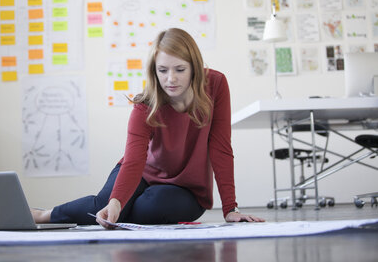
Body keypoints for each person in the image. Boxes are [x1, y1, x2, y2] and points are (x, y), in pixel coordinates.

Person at [32, 28, 264, 228]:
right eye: (162, 70)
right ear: (154, 70)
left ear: (194, 67)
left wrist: (230, 208)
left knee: (149, 205)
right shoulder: (145, 106)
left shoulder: (216, 84)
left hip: (188, 190)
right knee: (107, 205)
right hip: (141, 173)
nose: (170, 79)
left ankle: (119, 210)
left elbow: (220, 148)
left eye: (179, 69)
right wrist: (116, 202)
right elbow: (133, 161)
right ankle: (44, 215)